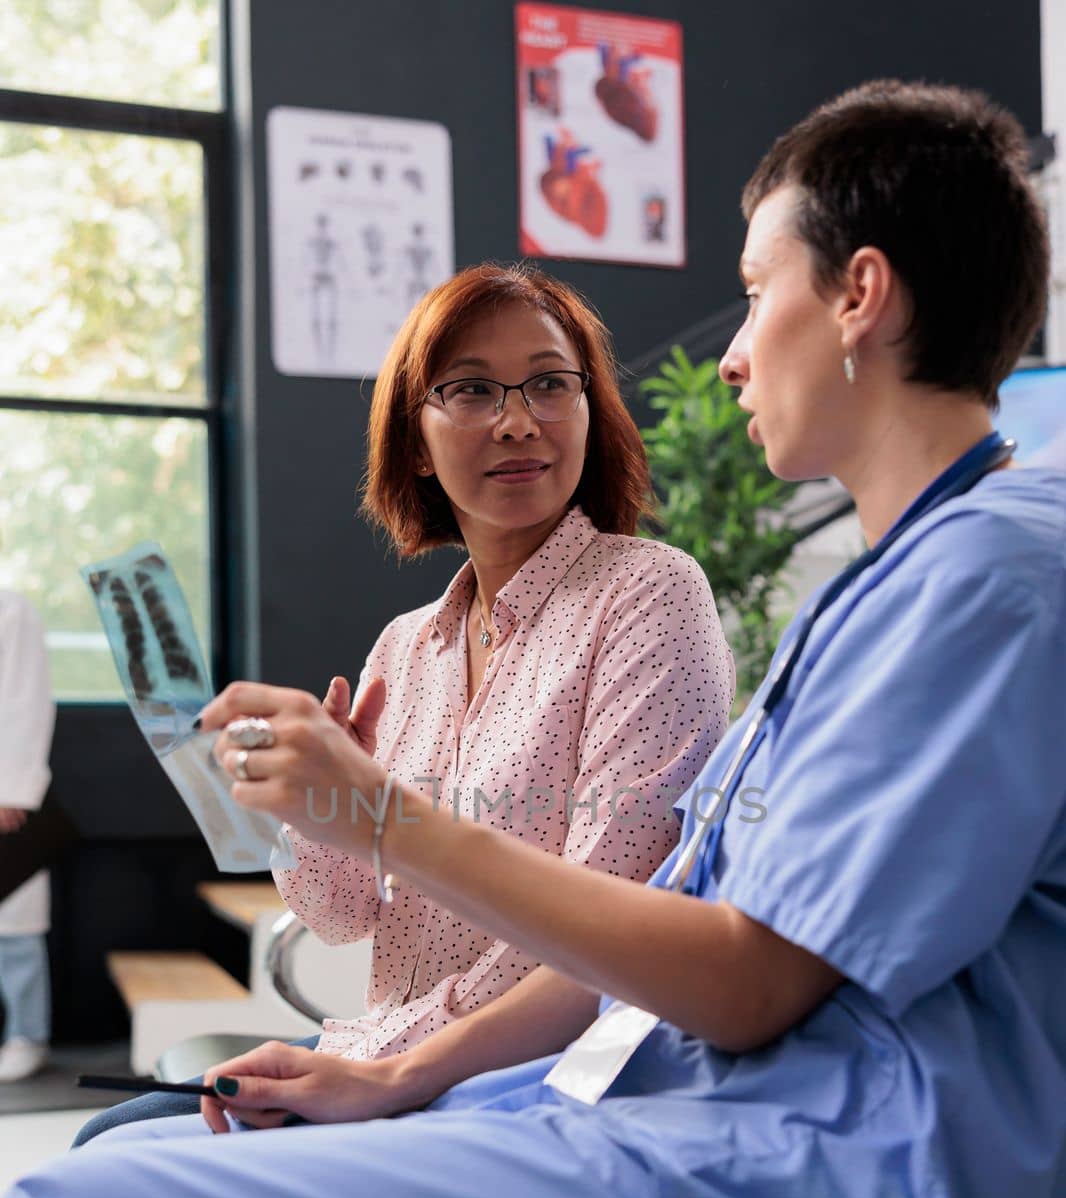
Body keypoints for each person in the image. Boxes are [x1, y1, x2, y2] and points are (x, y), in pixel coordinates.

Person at [2, 79, 1064, 1198]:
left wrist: (386, 843)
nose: (734, 343)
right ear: (415, 432)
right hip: (689, 1136)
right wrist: (340, 844)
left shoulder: (981, 582)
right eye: (470, 392)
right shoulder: (889, 587)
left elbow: (741, 977)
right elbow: (669, 930)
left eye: (756, 289)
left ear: (857, 297)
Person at [72, 262, 733, 1144]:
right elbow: (340, 918)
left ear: (588, 406)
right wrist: (319, 810)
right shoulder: (407, 645)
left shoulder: (648, 593)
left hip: (513, 1079)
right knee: (108, 1136)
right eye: (470, 390)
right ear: (415, 440)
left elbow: (612, 950)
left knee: (112, 1166)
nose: (517, 420)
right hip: (383, 1047)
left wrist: (390, 1076)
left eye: (548, 382)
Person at [0, 589, 55, 1083]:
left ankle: (26, 1033)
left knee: (12, 923)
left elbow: (25, 699)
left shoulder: (9, 607)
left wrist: (13, 788)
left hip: (2, 789)